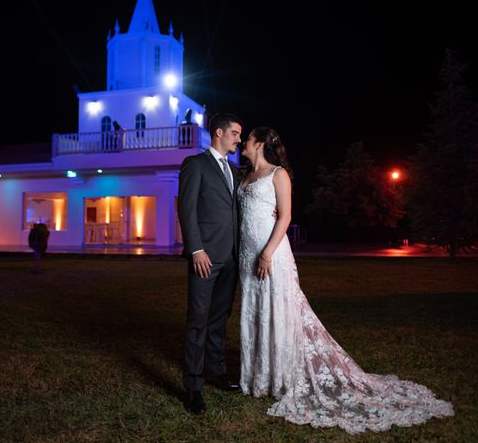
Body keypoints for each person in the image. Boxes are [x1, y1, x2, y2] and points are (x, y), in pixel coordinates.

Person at [237, 127, 454, 434]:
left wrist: (267, 253)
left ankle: (281, 376)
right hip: (247, 255)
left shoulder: (278, 174)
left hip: (270, 255)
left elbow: (284, 217)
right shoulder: (244, 176)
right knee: (254, 313)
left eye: (247, 138)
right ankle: (257, 375)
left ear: (258, 144)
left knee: (278, 312)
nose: (243, 141)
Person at [178, 113, 243, 414]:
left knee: (219, 319)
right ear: (219, 132)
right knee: (198, 320)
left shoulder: (234, 170)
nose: (239, 139)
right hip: (205, 258)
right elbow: (186, 210)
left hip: (230, 258)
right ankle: (193, 386)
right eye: (235, 133)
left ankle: (217, 373)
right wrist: (196, 250)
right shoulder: (196, 164)